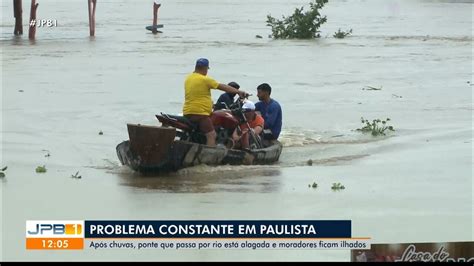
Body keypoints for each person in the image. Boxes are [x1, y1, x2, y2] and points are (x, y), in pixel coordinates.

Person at [183, 58, 248, 147]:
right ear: (205, 68)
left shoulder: (189, 78)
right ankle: (210, 157)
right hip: (200, 113)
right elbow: (222, 87)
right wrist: (238, 92)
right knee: (212, 135)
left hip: (187, 112)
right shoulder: (204, 79)